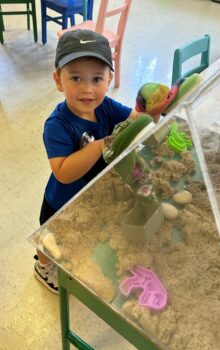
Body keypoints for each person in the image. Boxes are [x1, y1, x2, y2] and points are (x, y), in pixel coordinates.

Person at [34, 29, 143, 294]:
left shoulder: (106, 106)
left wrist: (152, 110)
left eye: (97, 78)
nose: (87, 88)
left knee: (78, 236)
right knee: (49, 240)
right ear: (58, 80)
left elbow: (134, 120)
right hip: (61, 201)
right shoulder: (58, 125)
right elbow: (62, 172)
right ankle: (42, 267)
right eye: (75, 78)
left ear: (109, 79)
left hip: (90, 195)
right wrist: (100, 145)